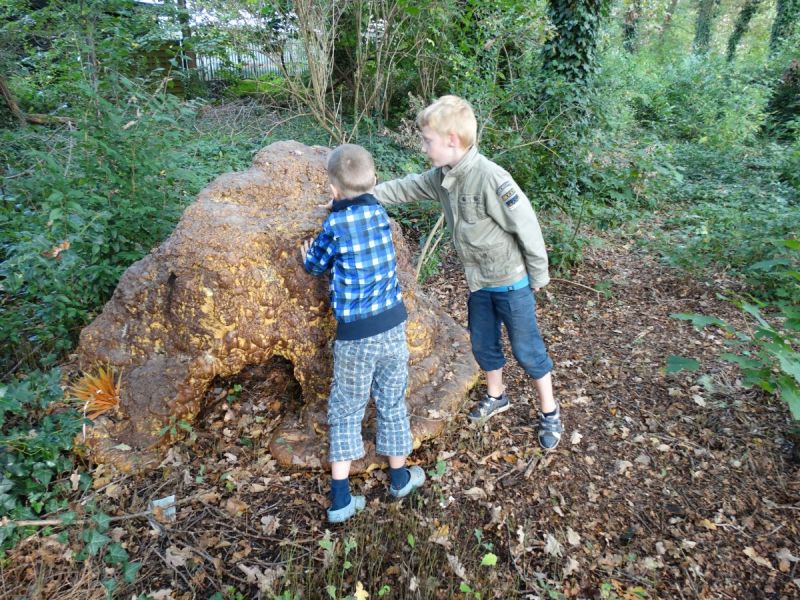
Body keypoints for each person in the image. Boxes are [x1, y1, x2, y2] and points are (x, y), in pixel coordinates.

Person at [374, 95, 563, 450]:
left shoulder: (491, 178)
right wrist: (364, 194)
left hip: (511, 282)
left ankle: (549, 410)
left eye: (427, 140)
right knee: (482, 342)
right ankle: (497, 395)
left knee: (527, 349)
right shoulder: (442, 177)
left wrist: (538, 275)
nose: (423, 147)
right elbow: (404, 188)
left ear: (451, 141)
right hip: (479, 284)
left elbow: (527, 226)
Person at [301, 143, 426, 524]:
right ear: (373, 183)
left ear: (333, 189)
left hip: (355, 335)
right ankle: (399, 478)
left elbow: (315, 265)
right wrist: (341, 202)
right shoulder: (379, 212)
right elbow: (359, 204)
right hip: (391, 326)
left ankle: (341, 499)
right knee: (391, 400)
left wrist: (306, 252)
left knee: (346, 408)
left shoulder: (334, 226)